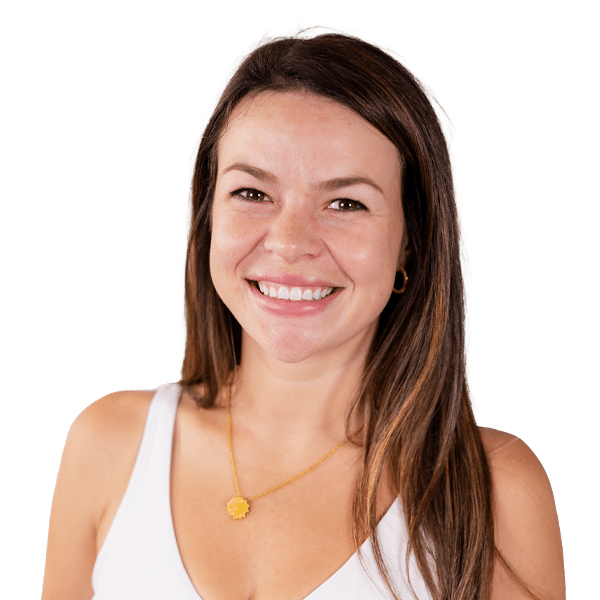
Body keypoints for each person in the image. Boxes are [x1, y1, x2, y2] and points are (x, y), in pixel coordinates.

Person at [41, 22, 566, 600]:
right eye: (252, 193)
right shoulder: (108, 445)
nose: (290, 242)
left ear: (409, 243)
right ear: (208, 217)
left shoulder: (495, 491)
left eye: (346, 203)